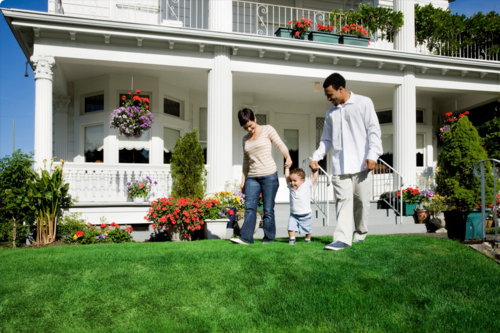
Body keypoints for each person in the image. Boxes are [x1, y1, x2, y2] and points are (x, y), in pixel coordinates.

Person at [310, 73, 383, 251]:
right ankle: (342, 238)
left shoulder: (364, 103)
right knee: (343, 202)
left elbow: (374, 131)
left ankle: (360, 233)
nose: (328, 98)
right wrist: (316, 156)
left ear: (340, 89)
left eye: (330, 94)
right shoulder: (330, 114)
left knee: (361, 202)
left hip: (362, 165)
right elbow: (326, 140)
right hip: (340, 166)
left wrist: (373, 155)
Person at [230, 108, 292, 245]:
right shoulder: (245, 139)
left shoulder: (267, 129)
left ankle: (268, 239)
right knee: (249, 208)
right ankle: (246, 238)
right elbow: (246, 161)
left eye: (250, 126)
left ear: (255, 119)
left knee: (268, 209)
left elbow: (280, 144)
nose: (249, 130)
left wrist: (287, 157)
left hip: (269, 175)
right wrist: (243, 180)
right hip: (252, 177)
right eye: (246, 128)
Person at [285, 167, 318, 245]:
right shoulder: (291, 187)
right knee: (290, 227)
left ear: (302, 181)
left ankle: (307, 239)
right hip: (294, 214)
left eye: (294, 181)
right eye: (291, 181)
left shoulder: (306, 184)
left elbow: (314, 177)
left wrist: (315, 170)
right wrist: (287, 168)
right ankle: (292, 239)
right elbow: (287, 177)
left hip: (306, 214)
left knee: (308, 228)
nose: (292, 183)